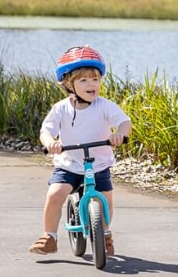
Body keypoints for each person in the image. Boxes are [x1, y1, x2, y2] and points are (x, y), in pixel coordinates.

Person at [28, 46, 131, 256]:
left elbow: (124, 121)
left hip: (99, 164)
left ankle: (105, 234)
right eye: (83, 80)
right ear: (68, 84)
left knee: (105, 201)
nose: (91, 84)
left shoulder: (104, 106)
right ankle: (49, 237)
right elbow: (46, 130)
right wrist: (51, 142)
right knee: (55, 194)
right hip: (70, 165)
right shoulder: (61, 108)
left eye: (95, 79)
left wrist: (119, 134)